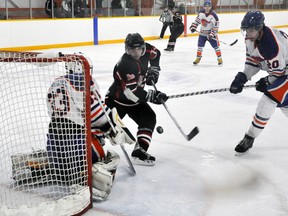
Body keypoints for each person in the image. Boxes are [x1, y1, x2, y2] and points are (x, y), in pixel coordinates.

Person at [45, 52, 135, 201]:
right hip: (78, 147)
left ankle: (60, 167)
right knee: (106, 155)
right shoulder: (84, 81)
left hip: (54, 145)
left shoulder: (55, 83)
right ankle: (90, 176)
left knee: (65, 166)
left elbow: (60, 114)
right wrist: (111, 129)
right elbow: (96, 112)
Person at [229, 10, 288, 154]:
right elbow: (252, 61)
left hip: (284, 72)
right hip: (281, 72)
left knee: (268, 101)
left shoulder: (272, 45)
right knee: (284, 106)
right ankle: (250, 137)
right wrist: (243, 77)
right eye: (245, 30)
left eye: (250, 30)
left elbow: (278, 73)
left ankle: (249, 137)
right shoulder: (251, 37)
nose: (247, 34)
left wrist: (266, 81)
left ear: (260, 29)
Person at [105, 33, 168, 166]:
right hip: (116, 101)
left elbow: (157, 54)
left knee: (149, 118)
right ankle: (85, 151)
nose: (136, 52)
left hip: (135, 103)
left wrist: (154, 71)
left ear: (143, 47)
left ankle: (140, 151)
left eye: (138, 49)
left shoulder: (148, 50)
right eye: (131, 50)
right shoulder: (125, 64)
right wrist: (152, 96)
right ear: (127, 50)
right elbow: (131, 93)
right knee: (103, 127)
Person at [189, 0, 223, 65]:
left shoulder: (214, 15)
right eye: (206, 6)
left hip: (211, 34)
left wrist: (212, 34)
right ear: (204, 7)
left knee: (216, 47)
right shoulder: (201, 13)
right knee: (200, 46)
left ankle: (220, 58)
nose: (207, 7)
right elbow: (197, 21)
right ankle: (198, 58)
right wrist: (193, 27)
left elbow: (216, 26)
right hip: (202, 33)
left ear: (211, 7)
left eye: (209, 6)